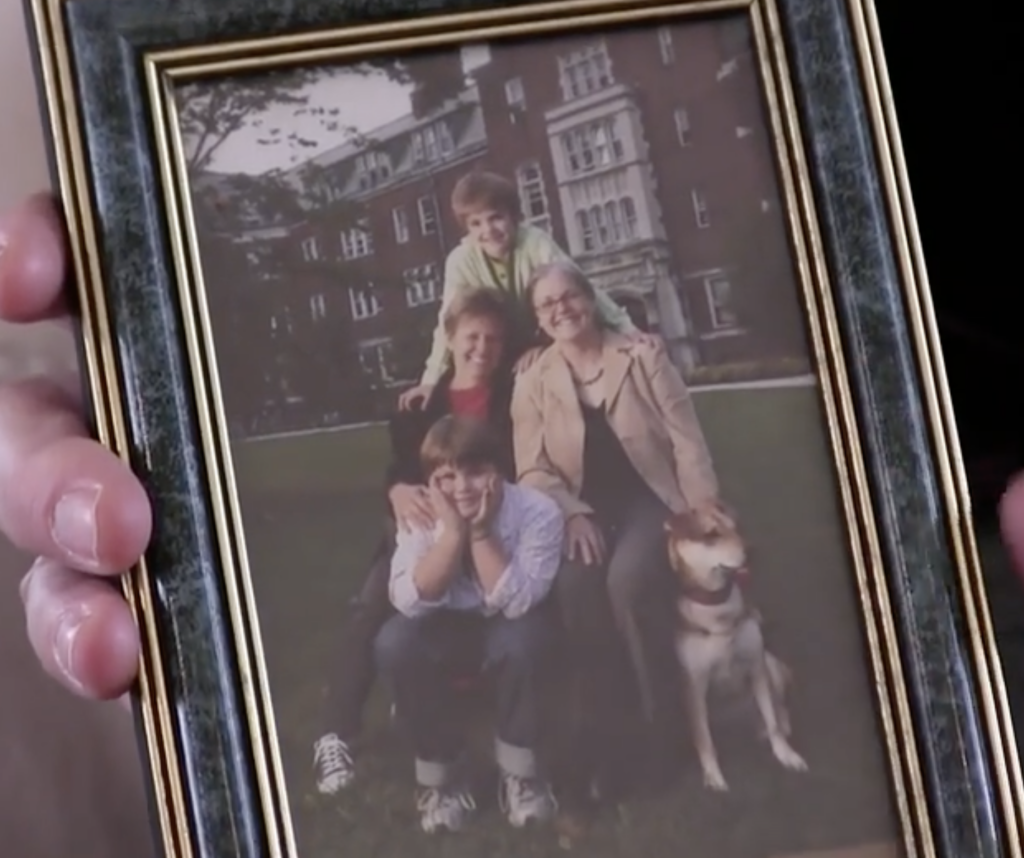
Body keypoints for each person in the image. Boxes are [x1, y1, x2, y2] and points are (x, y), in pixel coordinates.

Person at [510, 260, 725, 809]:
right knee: (577, 587)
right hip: (583, 509)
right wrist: (570, 513)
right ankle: (610, 738)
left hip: (650, 500)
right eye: (547, 304)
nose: (561, 309)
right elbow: (531, 468)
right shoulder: (533, 380)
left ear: (589, 299)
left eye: (568, 296)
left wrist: (702, 512)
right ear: (539, 318)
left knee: (628, 582)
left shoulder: (641, 355)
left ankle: (666, 734)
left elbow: (687, 440)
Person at [312, 287, 517, 794]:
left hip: (494, 526)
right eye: (472, 337)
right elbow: (402, 472)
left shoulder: (515, 396)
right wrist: (397, 490)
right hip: (429, 530)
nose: (482, 348)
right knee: (374, 600)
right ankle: (335, 732)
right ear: (450, 339)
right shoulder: (420, 407)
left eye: (493, 338)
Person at [374, 414, 564, 833]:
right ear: (430, 481)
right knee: (394, 643)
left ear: (498, 471)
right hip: (443, 623)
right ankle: (443, 779)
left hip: (507, 620)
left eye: (475, 472)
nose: (461, 487)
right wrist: (452, 535)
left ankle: (522, 775)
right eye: (446, 477)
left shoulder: (537, 511)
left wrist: (479, 532)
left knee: (525, 641)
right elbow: (407, 600)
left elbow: (519, 602)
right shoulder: (422, 513)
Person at [397, 169, 644, 411]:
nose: (488, 230)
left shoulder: (534, 242)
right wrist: (430, 379)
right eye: (476, 223)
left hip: (547, 339)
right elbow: (448, 321)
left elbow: (580, 287)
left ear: (513, 217)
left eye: (496, 218)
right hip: (498, 349)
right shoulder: (461, 260)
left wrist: (627, 328)